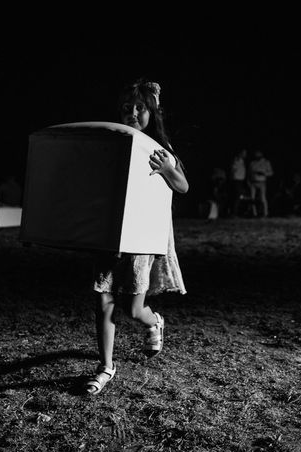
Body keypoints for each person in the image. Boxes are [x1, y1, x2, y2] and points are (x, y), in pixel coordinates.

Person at [85, 79, 189, 395]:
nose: (132, 112)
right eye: (127, 108)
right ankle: (106, 367)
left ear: (151, 112)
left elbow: (183, 186)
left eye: (140, 108)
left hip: (140, 238)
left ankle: (155, 321)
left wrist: (167, 169)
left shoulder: (157, 148)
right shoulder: (114, 142)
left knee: (132, 309)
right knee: (103, 300)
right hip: (109, 235)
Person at [247, 150, 274, 217]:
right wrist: (248, 181)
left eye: (258, 154)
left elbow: (271, 173)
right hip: (253, 182)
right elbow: (249, 173)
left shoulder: (266, 162)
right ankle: (254, 213)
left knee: (262, 198)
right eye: (256, 154)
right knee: (252, 198)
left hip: (262, 182)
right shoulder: (252, 163)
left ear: (261, 154)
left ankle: (265, 213)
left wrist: (264, 173)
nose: (257, 155)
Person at [227, 148, 248, 217]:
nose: (245, 155)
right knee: (236, 197)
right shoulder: (236, 160)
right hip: (236, 180)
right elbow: (233, 169)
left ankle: (235, 212)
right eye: (244, 153)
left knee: (239, 197)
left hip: (240, 180)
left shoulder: (242, 161)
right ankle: (233, 213)